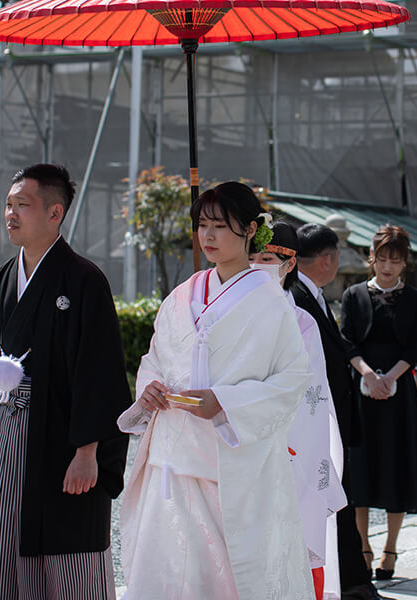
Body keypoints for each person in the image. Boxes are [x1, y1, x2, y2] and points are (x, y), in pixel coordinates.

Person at [118, 182, 315, 598]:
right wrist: (150, 388)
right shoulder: (183, 295)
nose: (207, 236)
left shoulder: (271, 301)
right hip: (171, 454)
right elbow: (156, 357)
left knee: (224, 576)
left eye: (220, 226)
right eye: (202, 225)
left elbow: (293, 378)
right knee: (166, 570)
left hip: (227, 462)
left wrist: (226, 402)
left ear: (250, 229)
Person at [0, 164, 131, 599]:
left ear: (55, 213)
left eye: (22, 205)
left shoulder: (84, 281)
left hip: (62, 439)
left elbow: (99, 373)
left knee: (62, 541)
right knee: (4, 531)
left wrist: (88, 451)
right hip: (4, 432)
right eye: (8, 205)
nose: (10, 214)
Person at [252, 221, 347, 599]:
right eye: (253, 256)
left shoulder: (301, 321)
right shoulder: (229, 309)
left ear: (289, 263)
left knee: (293, 536)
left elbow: (310, 392)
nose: (257, 264)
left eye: (268, 258)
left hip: (290, 441)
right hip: (240, 437)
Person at [341, 224, 417, 581]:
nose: (387, 266)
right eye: (382, 259)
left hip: (399, 394)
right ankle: (363, 547)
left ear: (404, 262)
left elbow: (414, 347)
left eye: (395, 261)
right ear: (371, 257)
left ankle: (391, 548)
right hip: (361, 389)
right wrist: (369, 375)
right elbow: (347, 341)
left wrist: (389, 379)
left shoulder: (415, 299)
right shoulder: (353, 295)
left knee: (397, 467)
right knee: (360, 470)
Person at [292, 223, 384, 600]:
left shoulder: (310, 294)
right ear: (328, 260)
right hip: (313, 421)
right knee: (329, 501)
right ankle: (351, 583)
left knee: (336, 499)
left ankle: (353, 581)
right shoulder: (296, 297)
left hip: (329, 416)